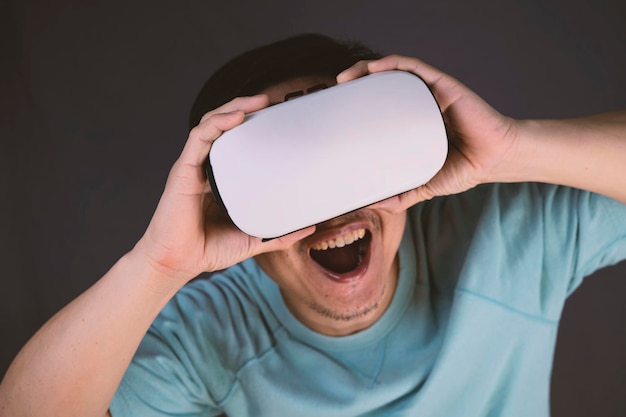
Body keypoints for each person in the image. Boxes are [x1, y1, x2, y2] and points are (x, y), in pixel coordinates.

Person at [1, 33, 626, 417]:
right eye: (286, 180)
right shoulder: (211, 332)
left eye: (345, 156)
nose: (331, 212)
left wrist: (512, 148)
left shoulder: (507, 230)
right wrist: (160, 264)